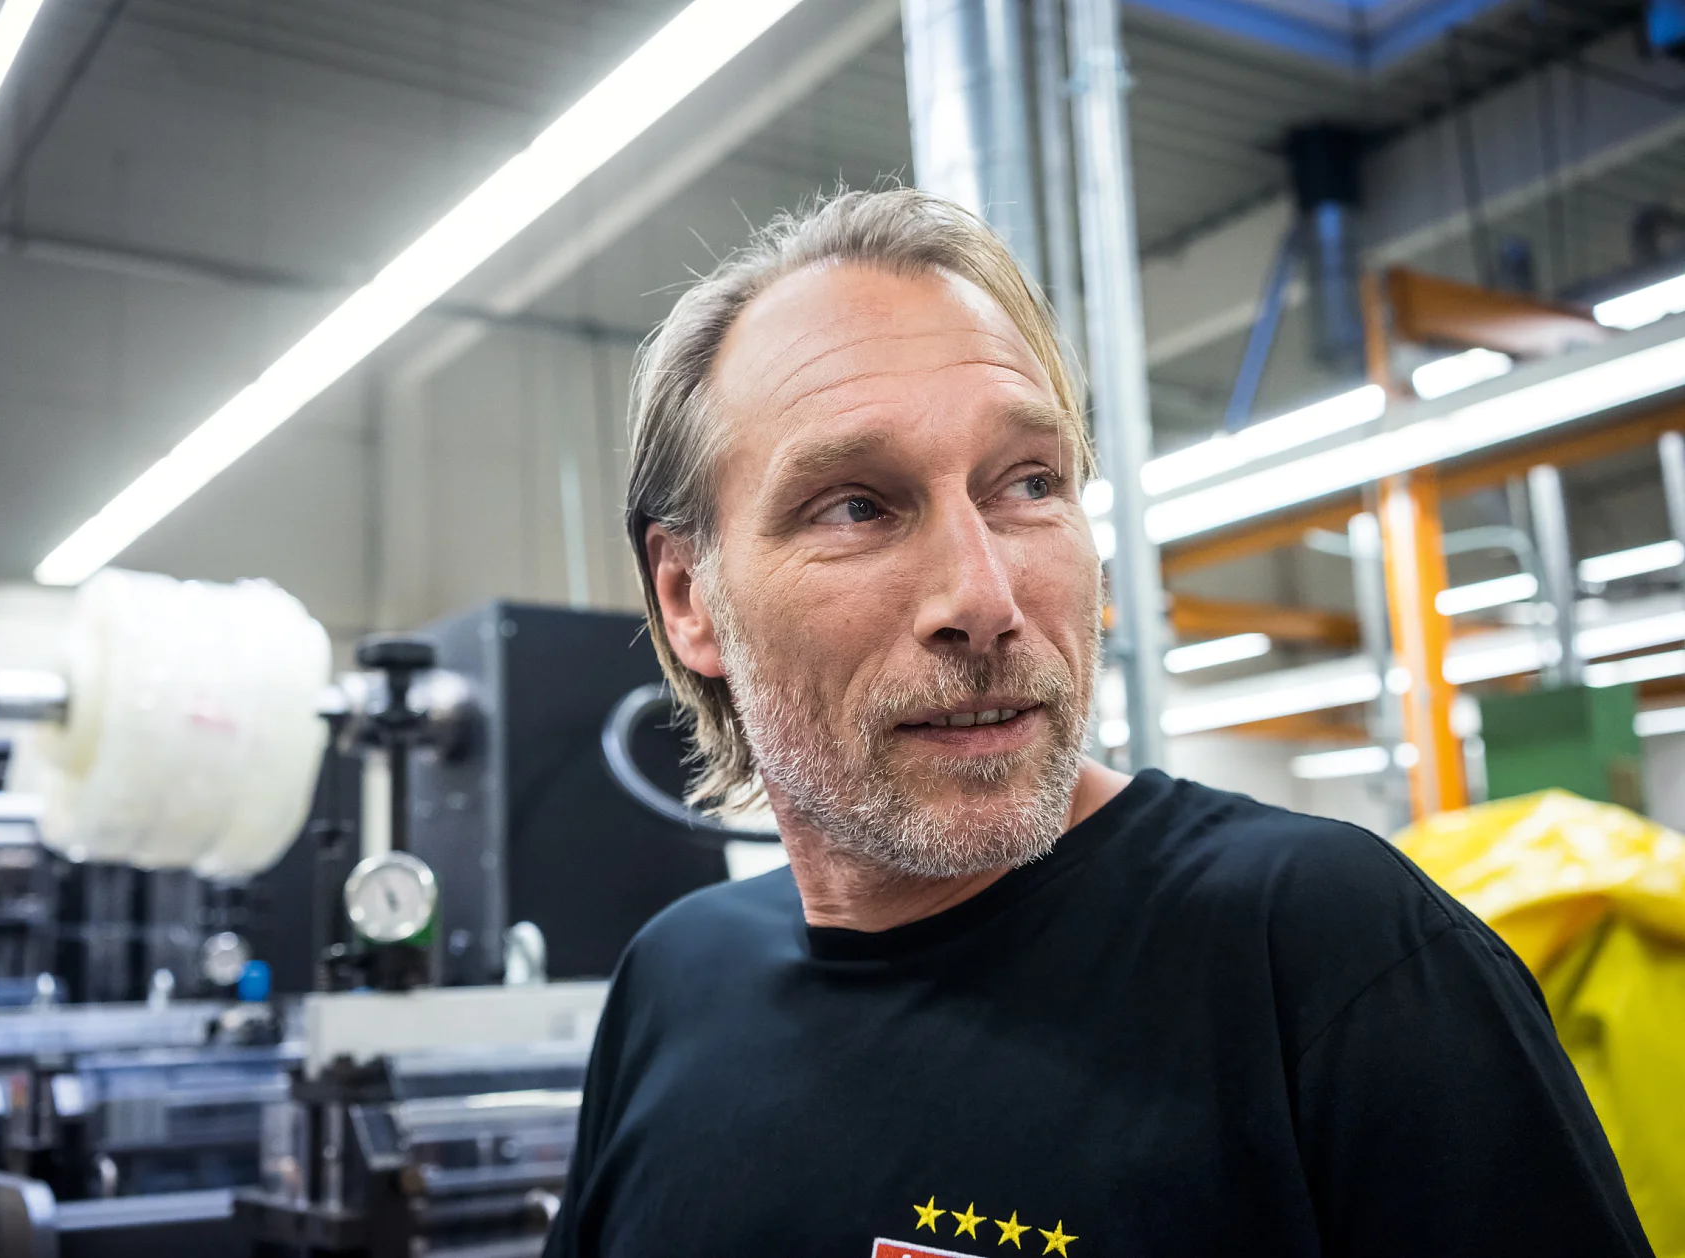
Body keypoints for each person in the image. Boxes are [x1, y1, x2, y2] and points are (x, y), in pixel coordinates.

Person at [541, 188, 1651, 1257]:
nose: (983, 598)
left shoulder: (1331, 957)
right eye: (858, 506)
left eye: (1028, 482)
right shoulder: (673, 983)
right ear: (690, 597)